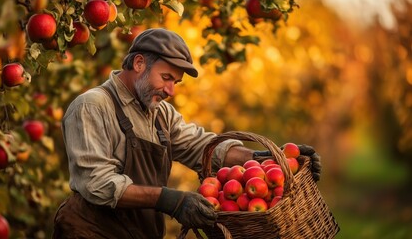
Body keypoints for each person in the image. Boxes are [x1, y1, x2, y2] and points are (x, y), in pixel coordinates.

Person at [52, 28, 321, 238]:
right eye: (166, 77)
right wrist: (170, 199)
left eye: (176, 82)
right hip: (91, 232)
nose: (171, 91)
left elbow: (202, 147)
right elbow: (96, 184)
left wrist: (265, 159)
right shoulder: (92, 106)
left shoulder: (160, 114)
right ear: (139, 63)